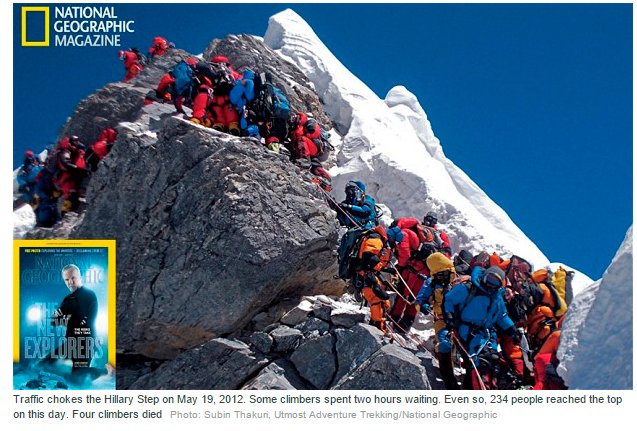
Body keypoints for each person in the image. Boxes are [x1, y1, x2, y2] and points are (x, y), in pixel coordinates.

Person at [443, 265, 519, 389]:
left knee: (492, 360)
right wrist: (449, 316)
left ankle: (478, 386)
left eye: (495, 283)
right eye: (489, 280)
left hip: (487, 333)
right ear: (484, 277)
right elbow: (449, 300)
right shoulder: (468, 289)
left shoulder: (497, 297)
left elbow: (502, 316)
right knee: (480, 360)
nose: (490, 285)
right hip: (467, 329)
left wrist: (511, 329)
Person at [415, 252, 459, 389]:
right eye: (439, 275)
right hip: (442, 320)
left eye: (445, 273)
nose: (443, 277)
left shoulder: (459, 281)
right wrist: (423, 306)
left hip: (461, 320)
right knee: (444, 344)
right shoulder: (431, 283)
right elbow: (419, 300)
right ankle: (449, 380)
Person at [50, 264, 98, 372]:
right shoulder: (67, 299)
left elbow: (90, 321)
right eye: (66, 279)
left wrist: (67, 319)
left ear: (80, 277)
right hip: (70, 343)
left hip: (86, 344)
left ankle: (106, 371)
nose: (70, 282)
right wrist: (65, 319)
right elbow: (54, 321)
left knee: (78, 377)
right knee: (44, 364)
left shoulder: (90, 295)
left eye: (73, 278)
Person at [387, 221, 428, 333]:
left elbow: (405, 254)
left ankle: (393, 320)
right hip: (423, 271)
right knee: (414, 298)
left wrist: (400, 266)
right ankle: (405, 325)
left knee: (403, 294)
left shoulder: (404, 233)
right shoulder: (416, 233)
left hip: (411, 270)